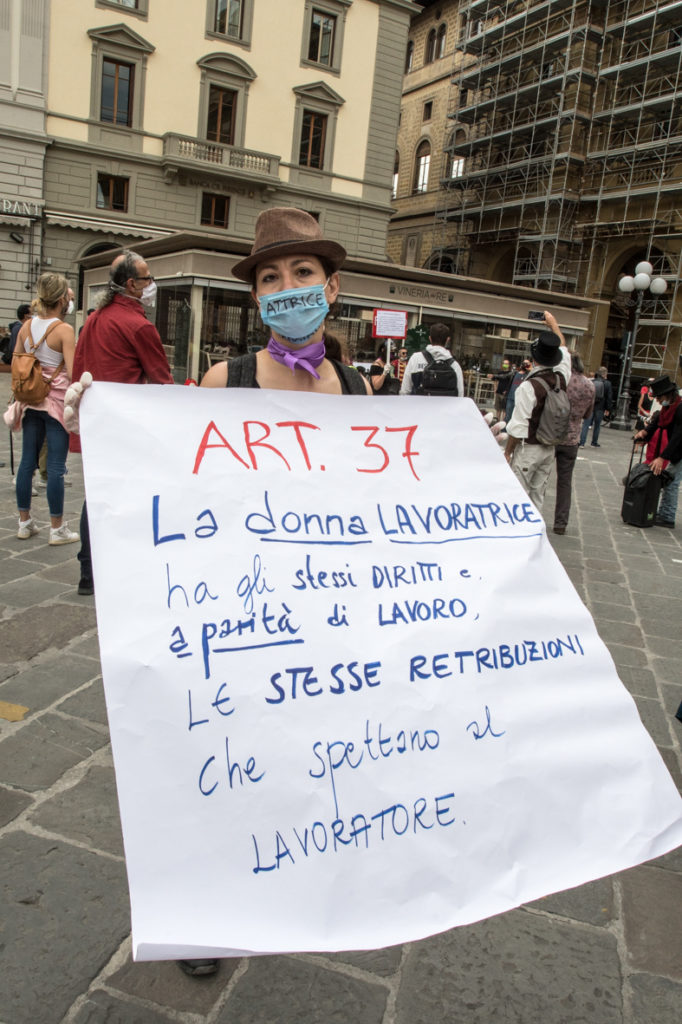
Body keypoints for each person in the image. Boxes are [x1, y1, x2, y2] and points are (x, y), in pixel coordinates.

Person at [66, 250, 174, 595]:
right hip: (128, 427)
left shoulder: (95, 319)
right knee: (132, 496)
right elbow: (162, 380)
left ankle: (88, 572)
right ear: (131, 284)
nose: (151, 283)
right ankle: (124, 567)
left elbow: (79, 367)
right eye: (147, 278)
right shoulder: (138, 325)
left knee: (97, 497)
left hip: (97, 423)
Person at [3, 274, 78, 544]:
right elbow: (73, 371)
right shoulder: (64, 330)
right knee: (56, 465)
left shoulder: (26, 326)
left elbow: (16, 363)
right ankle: (57, 528)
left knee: (27, 463)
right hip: (56, 402)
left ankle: (24, 523)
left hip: (30, 399)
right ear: (61, 299)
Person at [504, 311, 570, 512]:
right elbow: (564, 349)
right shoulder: (561, 377)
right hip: (549, 447)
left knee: (519, 497)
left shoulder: (529, 386)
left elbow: (519, 426)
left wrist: (508, 452)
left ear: (534, 358)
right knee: (537, 496)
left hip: (529, 448)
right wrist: (554, 324)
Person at [552, 353, 594, 535]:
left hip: (552, 434)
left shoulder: (562, 381)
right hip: (572, 438)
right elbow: (588, 414)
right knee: (565, 482)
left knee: (541, 478)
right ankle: (560, 523)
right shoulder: (590, 385)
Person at [634, 375, 682, 527]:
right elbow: (657, 422)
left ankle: (667, 517)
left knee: (672, 482)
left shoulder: (680, 408)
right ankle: (664, 513)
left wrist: (662, 457)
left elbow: (678, 436)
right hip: (676, 449)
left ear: (668, 395)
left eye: (659, 398)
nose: (658, 401)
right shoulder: (669, 407)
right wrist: (645, 433)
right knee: (669, 480)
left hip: (680, 449)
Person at [399, 323, 464, 396]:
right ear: (447, 340)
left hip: (418, 403)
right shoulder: (454, 366)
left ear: (429, 338)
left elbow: (405, 391)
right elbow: (460, 395)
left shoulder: (415, 358)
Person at [579, 366, 613, 447]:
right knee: (597, 425)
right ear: (605, 374)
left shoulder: (592, 382)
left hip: (590, 406)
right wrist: (608, 409)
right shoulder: (607, 384)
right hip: (601, 408)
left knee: (586, 424)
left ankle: (582, 442)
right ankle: (594, 442)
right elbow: (609, 397)